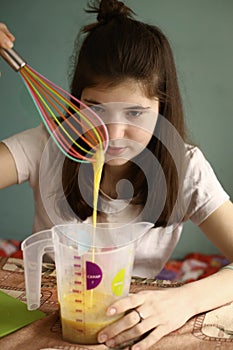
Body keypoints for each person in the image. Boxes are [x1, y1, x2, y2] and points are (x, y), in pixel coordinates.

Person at [0, 1, 233, 349]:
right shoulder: (46, 145)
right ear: (76, 101)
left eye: (136, 113)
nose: (113, 133)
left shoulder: (186, 169)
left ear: (161, 110)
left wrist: (185, 301)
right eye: (95, 109)